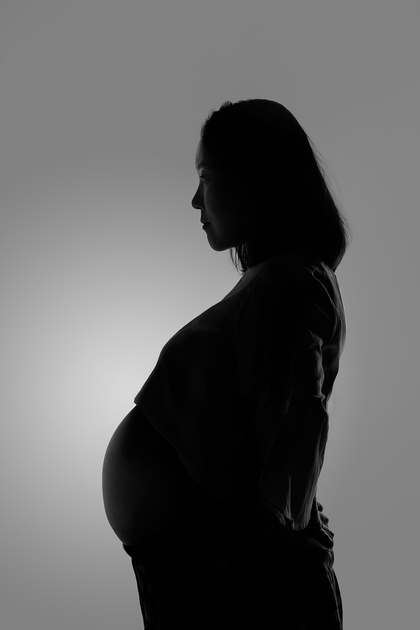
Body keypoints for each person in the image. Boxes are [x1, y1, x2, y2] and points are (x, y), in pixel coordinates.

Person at [102, 99, 351, 629]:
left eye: (207, 177)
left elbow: (298, 416)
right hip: (195, 557)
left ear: (255, 181)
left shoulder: (290, 284)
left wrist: (273, 531)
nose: (196, 200)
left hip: (224, 566)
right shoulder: (274, 281)